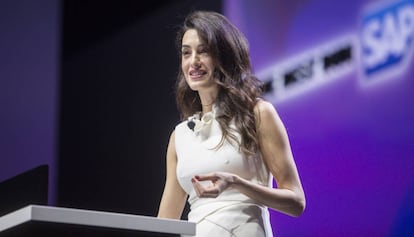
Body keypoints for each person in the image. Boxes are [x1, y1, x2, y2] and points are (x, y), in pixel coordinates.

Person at [157, 11, 305, 237]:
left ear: (224, 55)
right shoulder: (180, 137)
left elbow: (296, 202)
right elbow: (164, 225)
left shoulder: (258, 114)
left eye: (203, 51)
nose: (193, 61)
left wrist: (236, 183)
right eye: (187, 53)